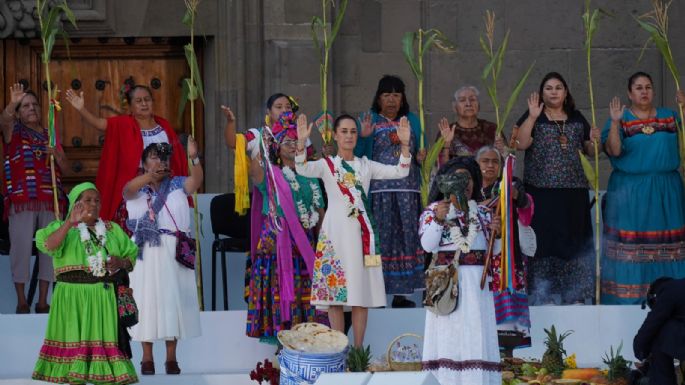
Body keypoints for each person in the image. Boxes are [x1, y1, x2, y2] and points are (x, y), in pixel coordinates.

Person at [295, 113, 411, 347]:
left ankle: (358, 352)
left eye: (353, 131)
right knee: (335, 296)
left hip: (361, 236)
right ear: (336, 136)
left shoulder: (366, 165)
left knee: (360, 296)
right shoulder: (327, 165)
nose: (349, 136)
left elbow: (401, 171)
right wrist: (300, 142)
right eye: (344, 131)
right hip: (335, 233)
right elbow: (302, 169)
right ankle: (338, 348)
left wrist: (405, 145)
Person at [223, 104, 325, 344]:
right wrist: (262, 139)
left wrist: (322, 245)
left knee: (306, 301)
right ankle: (282, 351)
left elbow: (319, 211)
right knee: (282, 300)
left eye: (295, 141)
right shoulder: (269, 173)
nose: (291, 145)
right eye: (286, 141)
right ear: (277, 147)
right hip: (277, 246)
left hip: (307, 247)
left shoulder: (311, 174)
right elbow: (252, 162)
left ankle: (305, 345)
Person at [32, 182, 139, 385]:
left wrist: (120, 262)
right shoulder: (60, 227)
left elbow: (131, 256)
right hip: (71, 298)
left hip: (103, 297)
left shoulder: (111, 229)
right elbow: (48, 245)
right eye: (87, 200)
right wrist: (68, 223)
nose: (93, 204)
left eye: (97, 200)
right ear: (75, 204)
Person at [514, 72, 600, 305]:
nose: (554, 92)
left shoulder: (576, 117)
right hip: (540, 192)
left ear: (565, 92)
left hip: (573, 192)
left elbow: (592, 152)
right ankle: (544, 294)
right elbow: (520, 144)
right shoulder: (535, 116)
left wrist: (594, 140)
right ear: (542, 93)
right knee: (543, 242)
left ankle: (575, 294)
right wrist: (531, 117)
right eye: (549, 88)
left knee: (572, 241)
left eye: (558, 87)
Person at [601, 71, 685, 304]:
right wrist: (616, 122)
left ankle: (673, 299)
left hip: (667, 190)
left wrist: (684, 110)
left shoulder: (670, 117)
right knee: (632, 246)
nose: (644, 91)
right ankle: (629, 301)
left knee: (670, 246)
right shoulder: (621, 118)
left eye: (648, 87)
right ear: (630, 93)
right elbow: (614, 150)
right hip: (630, 192)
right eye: (638, 87)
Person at [123, 139, 203, 375]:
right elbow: (127, 192)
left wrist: (194, 158)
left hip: (174, 248)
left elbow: (196, 180)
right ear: (144, 163)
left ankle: (171, 357)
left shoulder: (178, 184)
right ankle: (146, 357)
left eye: (164, 158)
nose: (160, 162)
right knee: (145, 301)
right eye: (155, 157)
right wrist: (150, 176)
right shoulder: (138, 187)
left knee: (172, 300)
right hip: (145, 249)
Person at [419, 157, 501, 385]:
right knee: (448, 335)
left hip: (477, 286)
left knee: (475, 333)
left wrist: (499, 234)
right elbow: (427, 245)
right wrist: (438, 219)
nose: (465, 183)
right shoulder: (433, 211)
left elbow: (493, 252)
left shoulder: (482, 213)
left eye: (469, 179)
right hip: (447, 284)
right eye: (459, 177)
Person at [64, 85, 188, 229]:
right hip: (136, 188)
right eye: (138, 101)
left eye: (147, 100)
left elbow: (175, 158)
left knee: (166, 231)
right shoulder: (123, 124)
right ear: (130, 106)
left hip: (164, 188)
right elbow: (99, 124)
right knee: (136, 233)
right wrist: (81, 109)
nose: (144, 104)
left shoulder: (164, 126)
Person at [354, 75, 424, 308]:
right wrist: (363, 137)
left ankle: (402, 295)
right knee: (380, 239)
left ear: (403, 98)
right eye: (386, 95)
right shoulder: (370, 119)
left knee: (407, 238)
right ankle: (376, 293)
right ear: (378, 98)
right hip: (379, 191)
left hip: (407, 190)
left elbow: (418, 152)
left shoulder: (413, 119)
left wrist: (423, 157)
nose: (391, 100)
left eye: (396, 95)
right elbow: (360, 156)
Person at [0, 83, 68, 314]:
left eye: (35, 105)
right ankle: (21, 301)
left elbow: (66, 167)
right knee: (19, 248)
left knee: (49, 249)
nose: (31, 109)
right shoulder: (13, 131)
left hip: (50, 200)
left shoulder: (50, 133)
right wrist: (12, 102)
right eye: (25, 105)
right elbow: (4, 120)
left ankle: (42, 301)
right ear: (19, 112)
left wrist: (56, 154)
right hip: (22, 201)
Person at [476, 146, 534, 351]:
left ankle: (509, 360)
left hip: (507, 259)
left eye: (495, 161)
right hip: (478, 259)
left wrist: (513, 193)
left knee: (509, 326)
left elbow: (525, 203)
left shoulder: (509, 184)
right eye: (485, 161)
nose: (490, 165)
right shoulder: (470, 188)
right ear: (477, 164)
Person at [633, 277, 685, 385]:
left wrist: (639, 350)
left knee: (660, 332)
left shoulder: (669, 291)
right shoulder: (679, 287)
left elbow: (652, 324)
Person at [438, 86, 505, 162]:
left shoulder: (492, 129)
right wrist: (447, 143)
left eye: (472, 99)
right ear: (454, 107)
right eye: (462, 100)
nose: (468, 104)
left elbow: (506, 162)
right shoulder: (446, 131)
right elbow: (441, 167)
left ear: (479, 106)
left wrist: (502, 150)